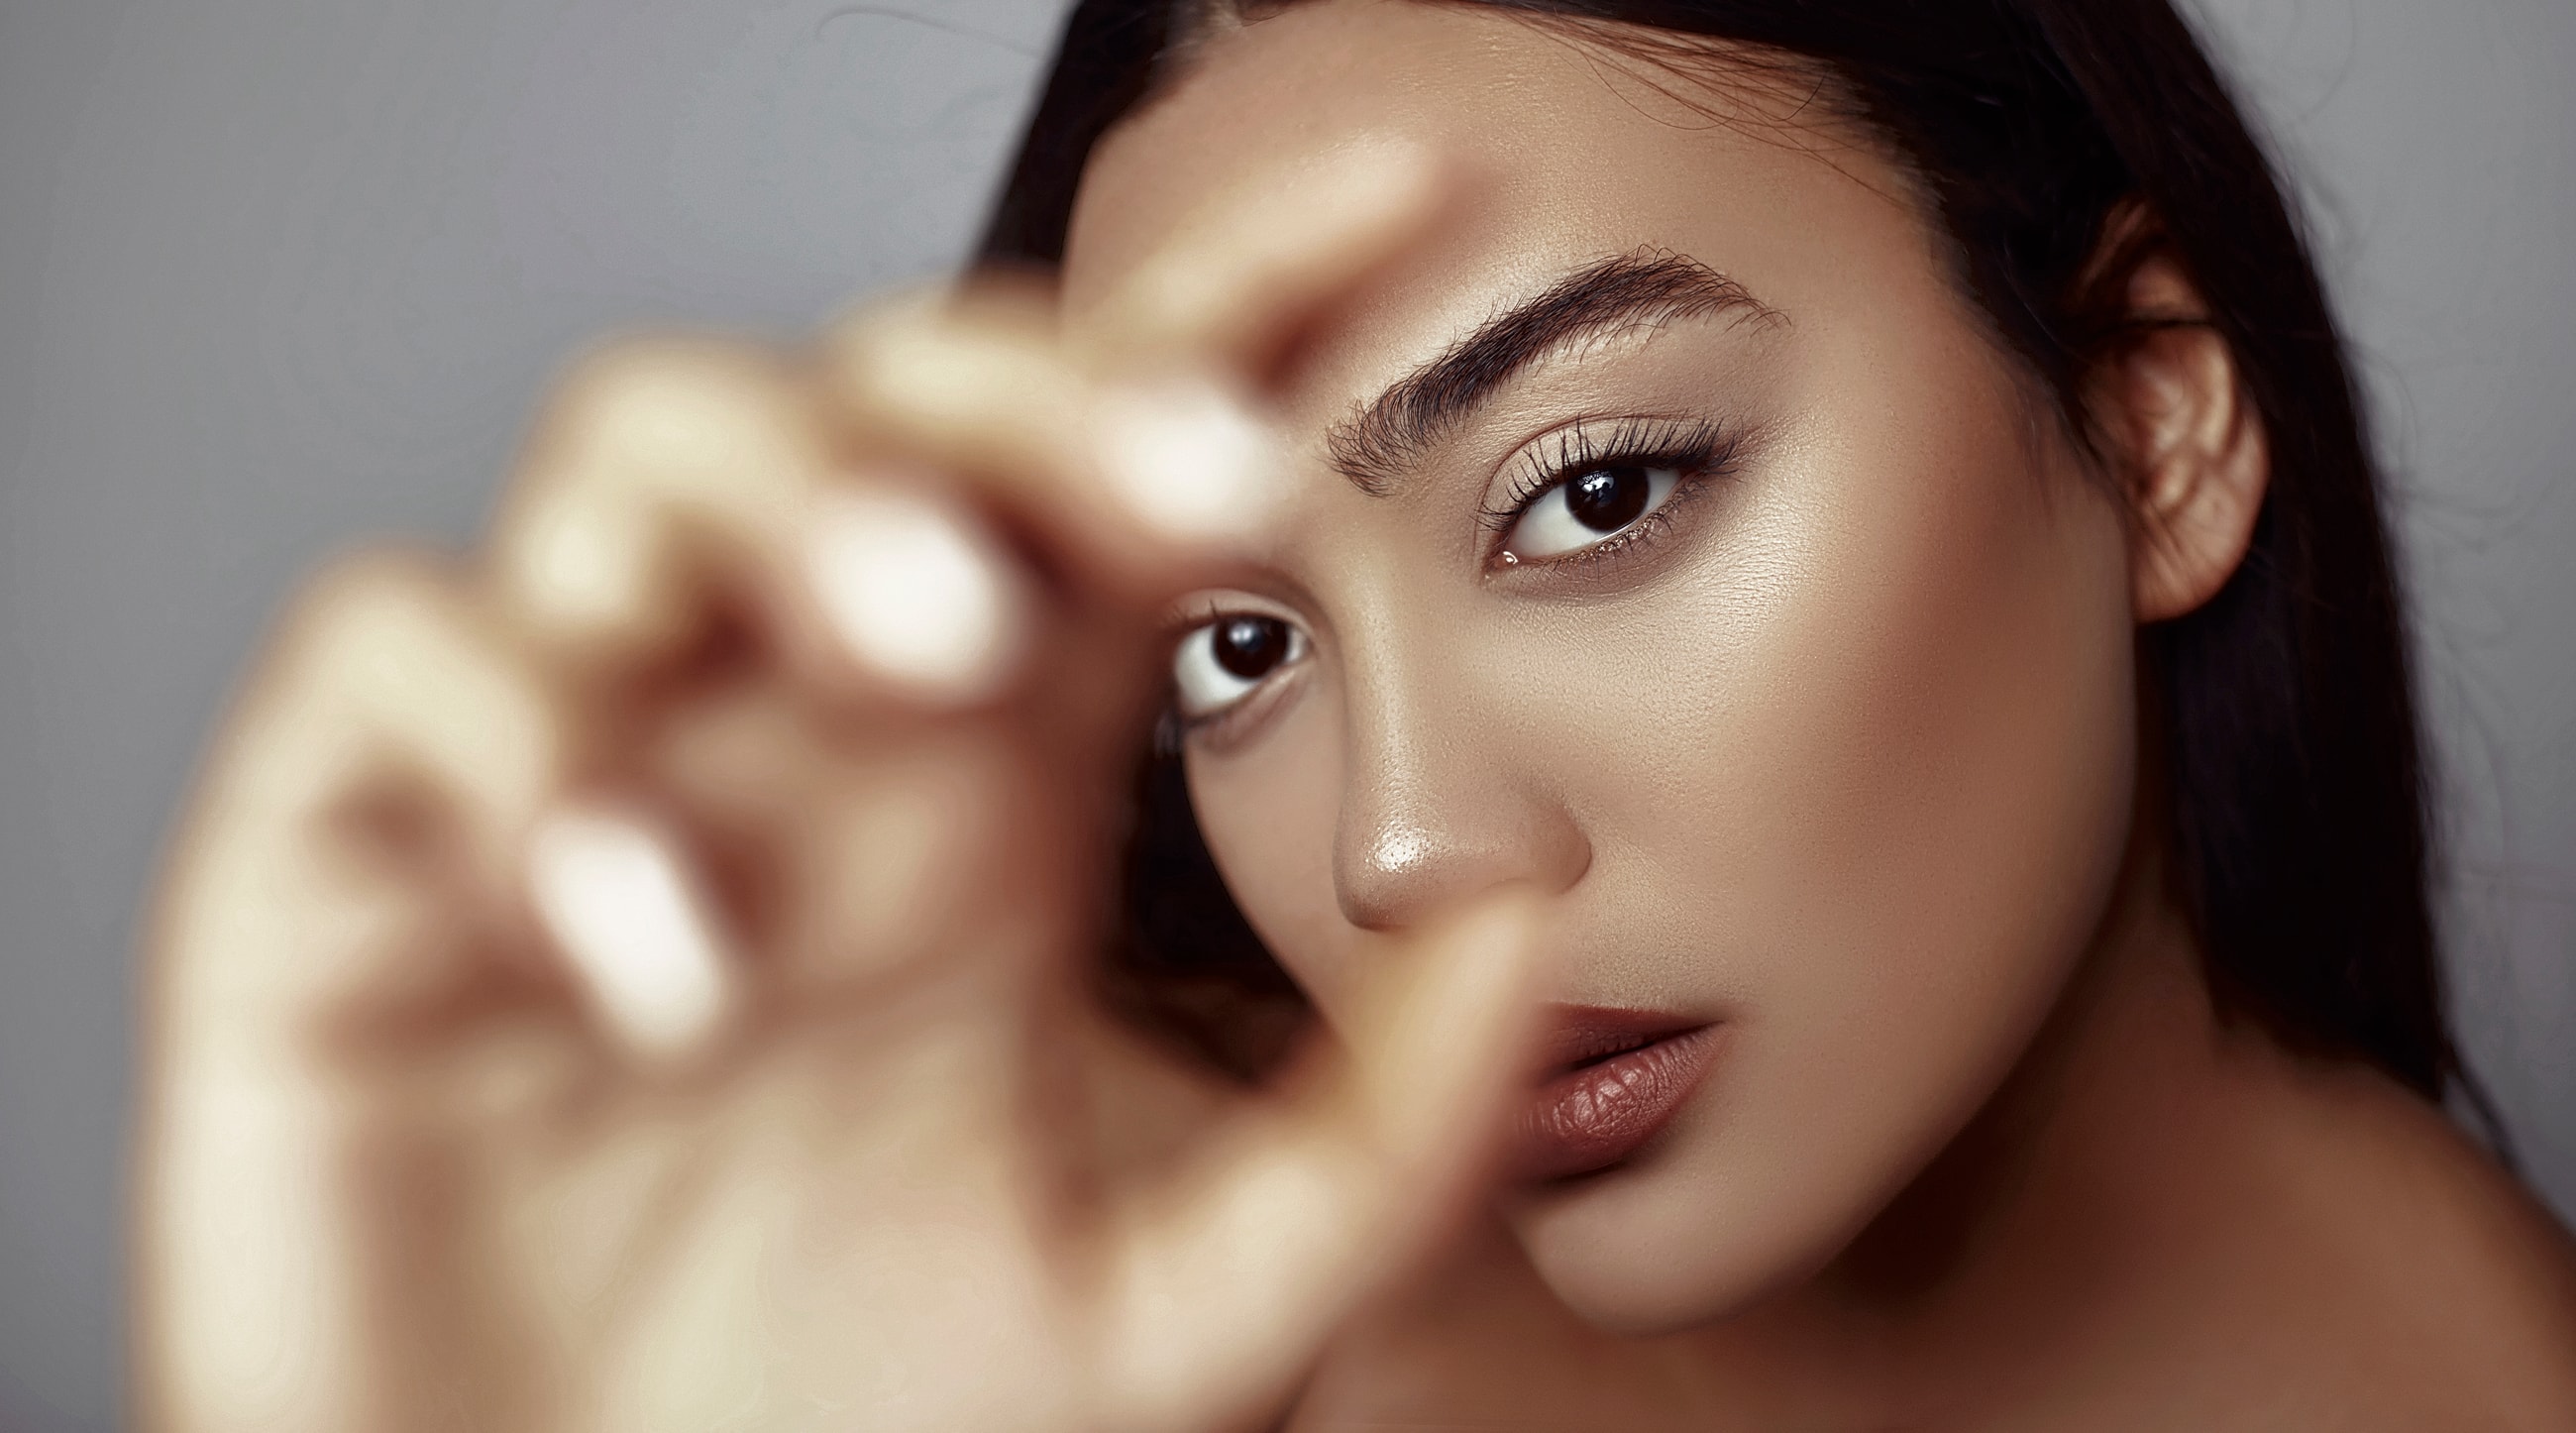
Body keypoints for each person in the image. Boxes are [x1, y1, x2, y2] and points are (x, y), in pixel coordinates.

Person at [132, 0, 2576, 1427]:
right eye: (1229, 643)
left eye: (1596, 490)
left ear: (2153, 425)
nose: (1399, 851)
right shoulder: (1013, 1247)